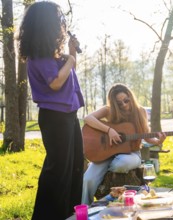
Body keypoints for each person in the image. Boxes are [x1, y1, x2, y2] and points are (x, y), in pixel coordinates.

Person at [17, 2, 85, 219]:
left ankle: (69, 212)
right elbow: (55, 83)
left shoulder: (51, 55)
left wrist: (71, 53)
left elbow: (66, 73)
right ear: (47, 25)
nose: (62, 26)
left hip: (68, 114)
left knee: (74, 166)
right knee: (58, 171)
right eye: (59, 22)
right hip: (55, 117)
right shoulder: (40, 55)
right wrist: (71, 59)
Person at [82, 83, 166, 205]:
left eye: (126, 100)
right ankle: (85, 211)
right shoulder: (109, 110)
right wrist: (109, 130)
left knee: (122, 163)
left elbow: (146, 136)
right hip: (106, 154)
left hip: (132, 154)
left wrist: (158, 141)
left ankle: (104, 175)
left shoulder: (141, 111)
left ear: (131, 97)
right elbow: (88, 118)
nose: (124, 105)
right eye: (120, 103)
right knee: (87, 180)